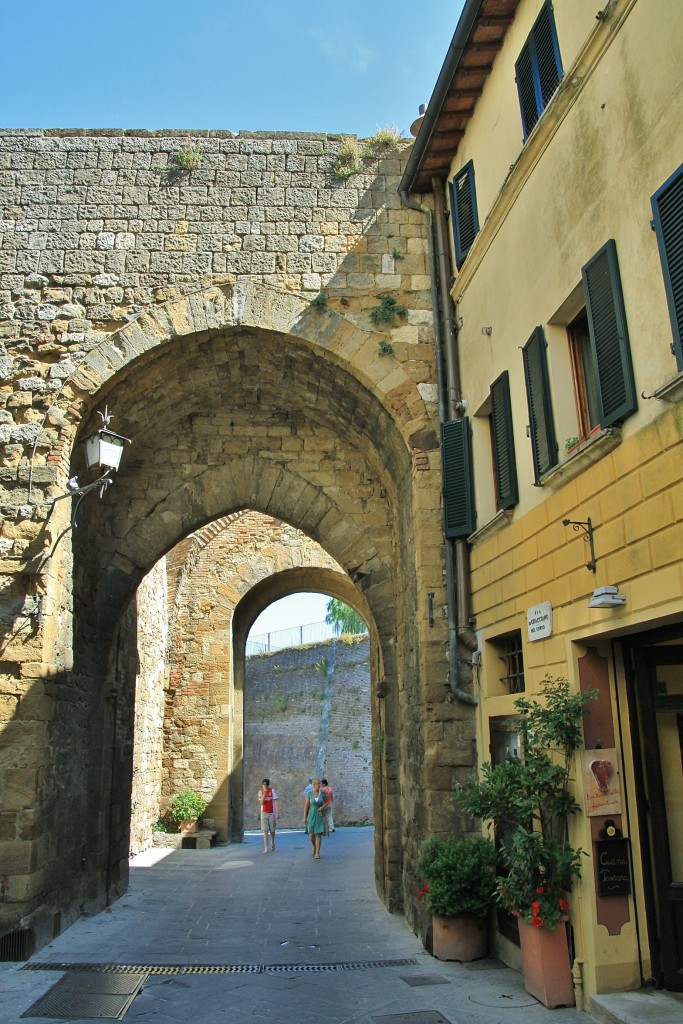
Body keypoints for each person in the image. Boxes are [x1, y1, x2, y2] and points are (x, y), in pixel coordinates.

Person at [303, 778, 326, 858]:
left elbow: (326, 803)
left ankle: (317, 853)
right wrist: (305, 817)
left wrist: (323, 807)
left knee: (318, 834)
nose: (320, 785)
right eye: (318, 784)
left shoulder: (323, 793)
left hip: (319, 815)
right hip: (311, 815)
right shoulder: (309, 794)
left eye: (320, 784)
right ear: (314, 785)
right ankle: (314, 845)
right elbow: (306, 806)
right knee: (311, 834)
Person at [258, 778, 279, 854]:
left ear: (268, 785)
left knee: (272, 830)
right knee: (265, 830)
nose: (265, 787)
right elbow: (261, 803)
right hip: (264, 812)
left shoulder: (272, 791)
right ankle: (266, 847)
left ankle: (272, 841)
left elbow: (276, 802)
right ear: (262, 785)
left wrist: (277, 813)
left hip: (271, 812)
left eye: (266, 785)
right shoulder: (260, 792)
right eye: (263, 785)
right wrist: (264, 794)